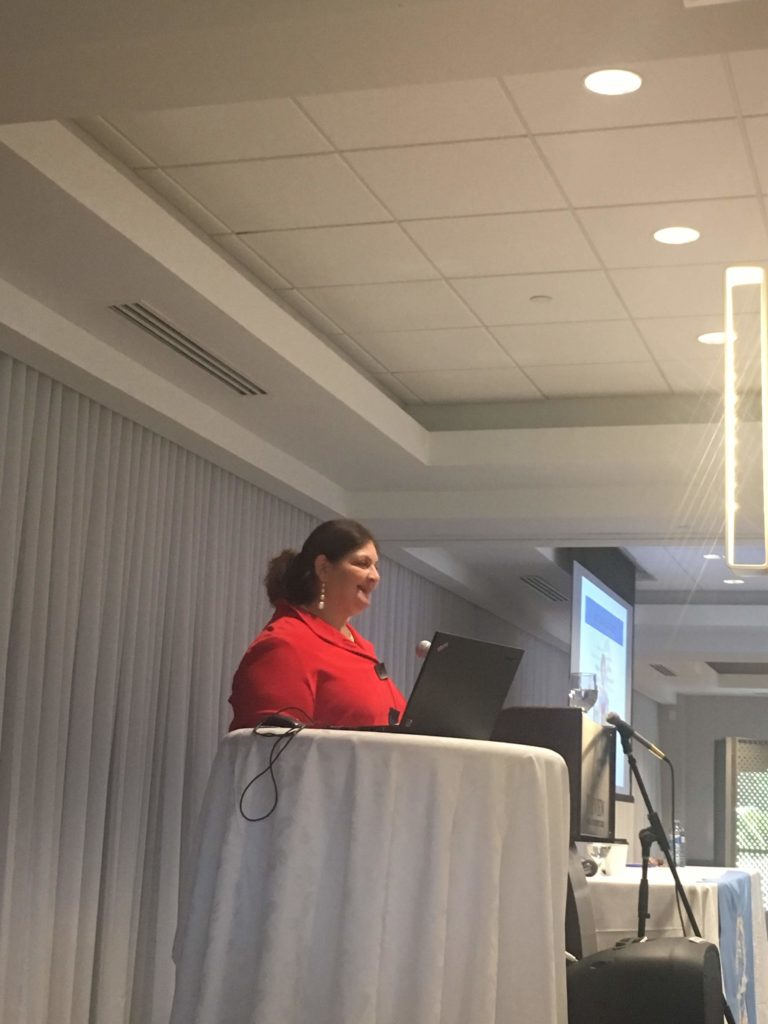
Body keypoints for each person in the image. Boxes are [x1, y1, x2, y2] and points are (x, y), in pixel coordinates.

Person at [229, 519, 407, 730]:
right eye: (362, 564)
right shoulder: (285, 645)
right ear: (323, 568)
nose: (375, 577)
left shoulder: (360, 646)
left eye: (376, 567)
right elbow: (273, 745)